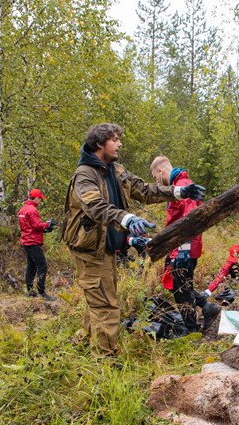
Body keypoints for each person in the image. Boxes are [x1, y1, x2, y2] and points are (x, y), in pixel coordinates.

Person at [62, 123, 205, 357]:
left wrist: (178, 192)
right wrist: (127, 219)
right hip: (90, 250)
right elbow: (96, 207)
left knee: (100, 297)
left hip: (106, 248)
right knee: (107, 307)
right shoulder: (85, 175)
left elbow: (145, 190)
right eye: (115, 139)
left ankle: (83, 339)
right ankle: (105, 362)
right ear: (100, 143)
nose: (119, 144)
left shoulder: (115, 170)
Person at [151, 156, 221, 335]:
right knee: (178, 284)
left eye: (155, 178)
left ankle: (191, 329)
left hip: (183, 248)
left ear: (161, 171)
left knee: (181, 288)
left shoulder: (184, 185)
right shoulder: (177, 188)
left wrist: (182, 251)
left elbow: (191, 220)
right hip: (176, 246)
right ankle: (206, 307)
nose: (156, 182)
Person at [18, 189, 57, 300]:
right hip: (33, 242)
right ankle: (42, 292)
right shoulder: (32, 210)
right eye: (40, 199)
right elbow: (37, 226)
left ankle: (30, 290)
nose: (40, 201)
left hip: (27, 241)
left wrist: (44, 229)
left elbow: (28, 227)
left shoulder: (23, 210)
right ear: (36, 198)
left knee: (31, 266)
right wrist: (47, 224)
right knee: (42, 266)